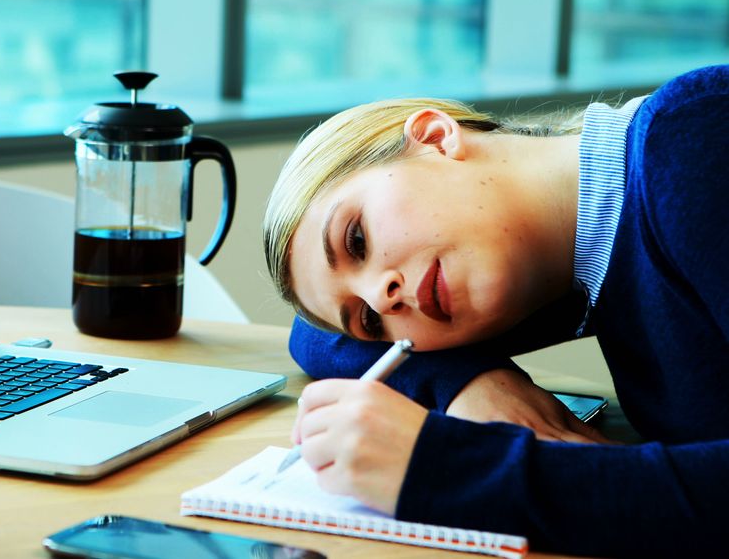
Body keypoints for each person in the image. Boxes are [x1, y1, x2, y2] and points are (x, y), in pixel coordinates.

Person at [261, 64, 728, 557]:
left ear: (435, 138)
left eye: (356, 238)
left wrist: (449, 468)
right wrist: (468, 384)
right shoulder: (558, 274)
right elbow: (313, 335)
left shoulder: (694, 138)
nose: (383, 298)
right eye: (372, 320)